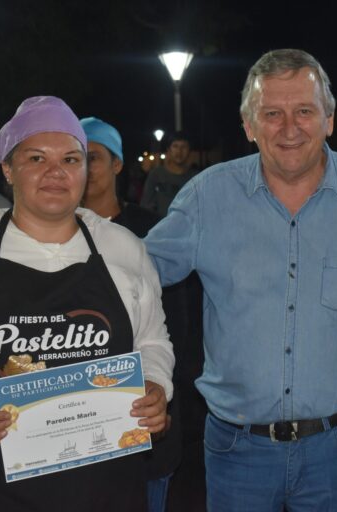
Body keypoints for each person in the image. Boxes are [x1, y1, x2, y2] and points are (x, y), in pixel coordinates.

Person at [143, 48, 337, 511]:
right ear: (249, 126)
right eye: (272, 114)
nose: (289, 129)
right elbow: (133, 275)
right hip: (237, 451)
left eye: (304, 112)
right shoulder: (206, 198)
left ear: (329, 119)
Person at [0, 96, 173, 511]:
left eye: (71, 159)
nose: (55, 173)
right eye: (37, 158)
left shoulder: (123, 250)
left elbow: (152, 340)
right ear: (7, 168)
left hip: (104, 488)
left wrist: (155, 385)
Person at [81, 116, 204, 512]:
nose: (81, 169)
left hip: (139, 419)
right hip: (74, 422)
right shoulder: (49, 236)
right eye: (71, 159)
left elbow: (175, 331)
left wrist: (165, 400)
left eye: (92, 157)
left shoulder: (148, 234)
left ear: (118, 164)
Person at [140, 132, 195, 217]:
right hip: (160, 226)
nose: (179, 151)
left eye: (183, 147)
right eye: (175, 146)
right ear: (168, 150)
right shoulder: (156, 175)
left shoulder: (195, 177)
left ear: (189, 150)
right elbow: (146, 204)